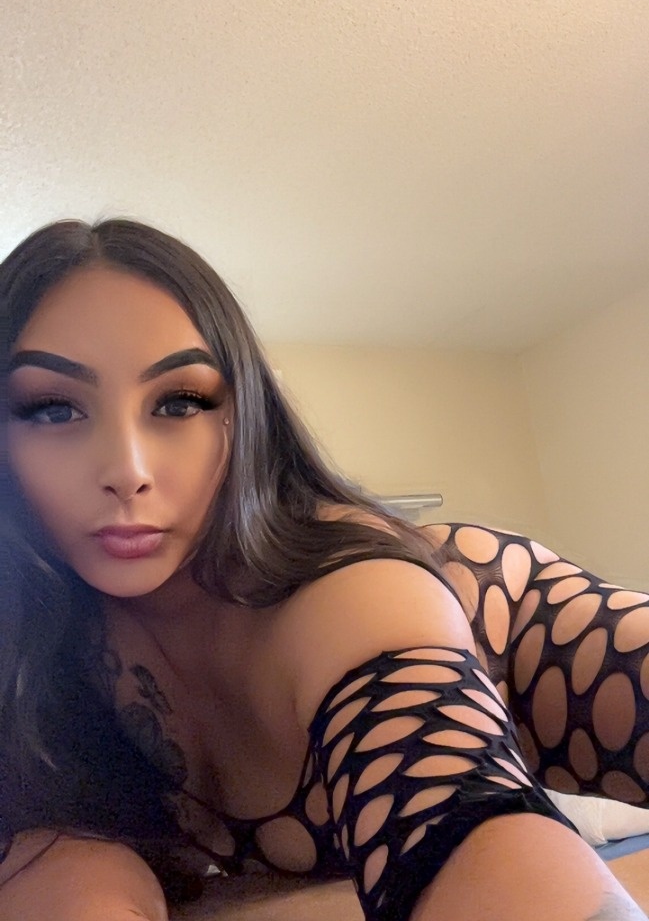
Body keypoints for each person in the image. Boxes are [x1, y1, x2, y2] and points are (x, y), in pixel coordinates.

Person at [0, 218, 647, 921]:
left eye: (179, 402)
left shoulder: (340, 592)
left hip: (504, 625)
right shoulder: (34, 661)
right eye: (53, 408)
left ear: (243, 416)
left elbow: (449, 814)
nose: (127, 470)